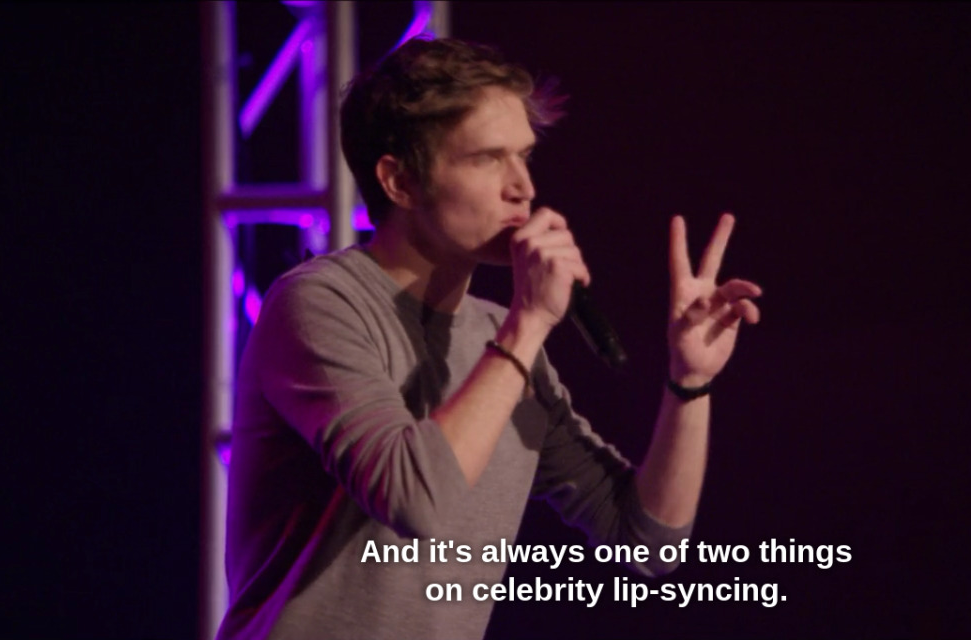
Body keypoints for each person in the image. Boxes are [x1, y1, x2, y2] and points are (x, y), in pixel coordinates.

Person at [217, 37, 762, 639]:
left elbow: (647, 543)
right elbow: (414, 499)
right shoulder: (321, 304)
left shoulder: (498, 340)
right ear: (399, 181)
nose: (522, 187)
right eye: (487, 159)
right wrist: (527, 324)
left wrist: (689, 382)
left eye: (524, 156)